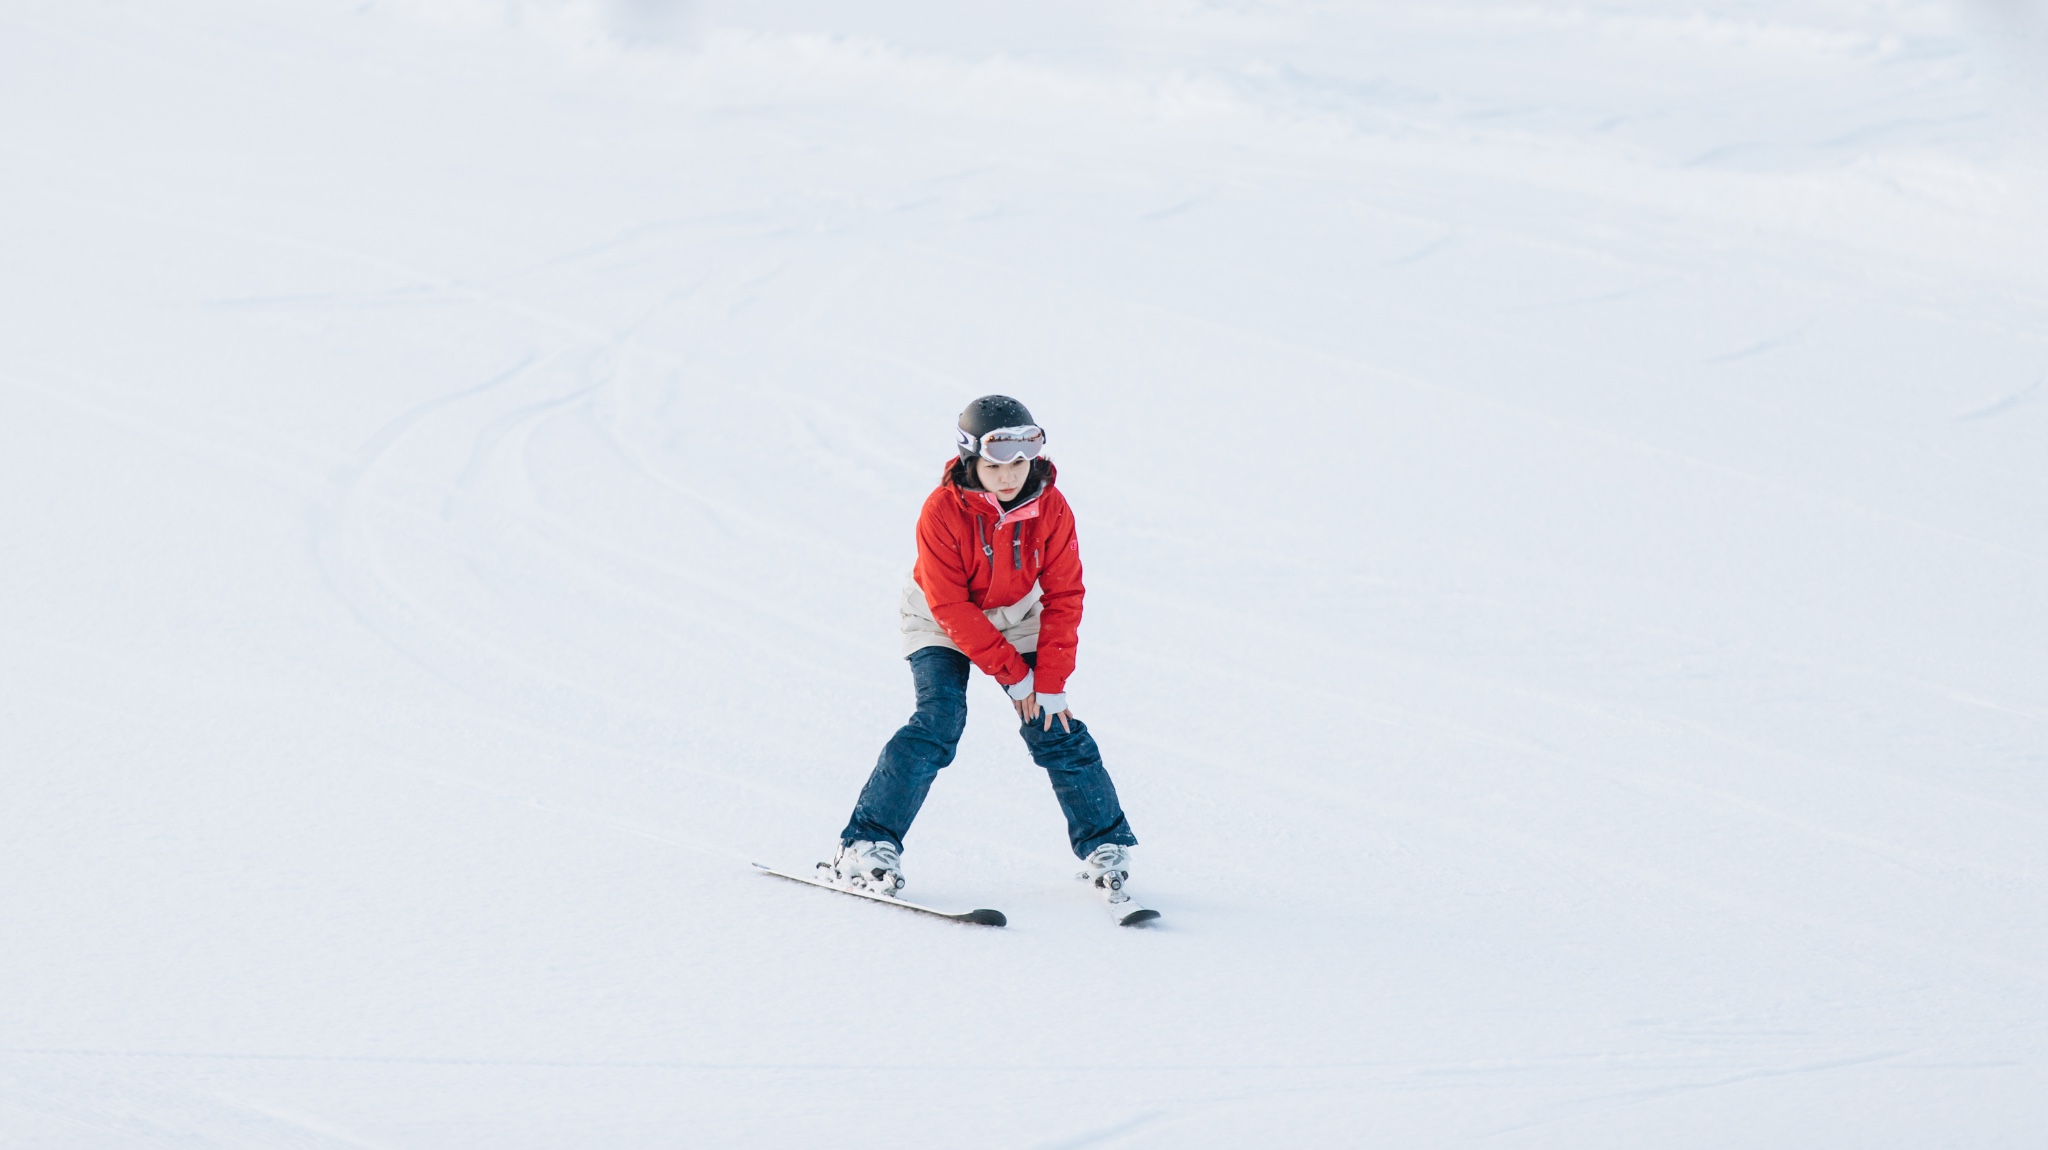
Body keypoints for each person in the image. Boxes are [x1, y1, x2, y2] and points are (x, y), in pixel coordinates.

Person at [824, 396, 1140, 911]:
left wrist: (1050, 683)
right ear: (973, 460)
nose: (1008, 476)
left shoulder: (1052, 507)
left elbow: (1064, 594)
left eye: (1018, 462)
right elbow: (949, 603)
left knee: (1054, 724)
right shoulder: (942, 509)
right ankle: (864, 843)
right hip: (940, 619)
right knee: (939, 719)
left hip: (1018, 616)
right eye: (995, 465)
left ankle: (1106, 845)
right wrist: (1015, 678)